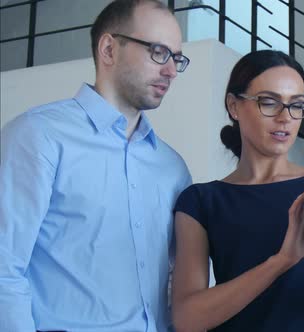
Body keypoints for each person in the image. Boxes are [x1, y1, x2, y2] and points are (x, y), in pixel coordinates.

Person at [0, 0, 192, 331]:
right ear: (108, 49)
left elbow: (182, 278)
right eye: (158, 52)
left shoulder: (172, 167)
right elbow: (4, 268)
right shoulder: (38, 136)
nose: (171, 71)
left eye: (176, 58)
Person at [172, 49, 304, 332]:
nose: (285, 118)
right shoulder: (200, 200)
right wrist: (282, 261)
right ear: (234, 106)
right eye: (269, 103)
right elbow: (187, 319)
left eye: (296, 105)